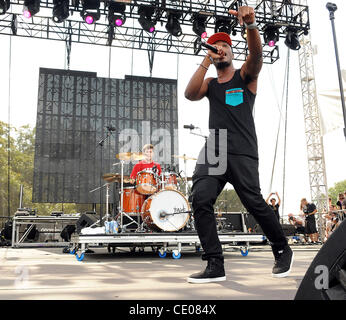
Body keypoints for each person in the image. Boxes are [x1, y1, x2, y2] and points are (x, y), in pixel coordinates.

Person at [184, 6, 293, 283]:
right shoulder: (210, 83)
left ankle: (281, 248)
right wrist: (205, 61)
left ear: (232, 52)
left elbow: (256, 56)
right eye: (216, 46)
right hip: (215, 147)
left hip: (243, 148)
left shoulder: (244, 76)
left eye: (225, 46)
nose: (220, 49)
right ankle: (214, 264)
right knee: (200, 199)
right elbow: (189, 94)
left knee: (254, 202)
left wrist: (252, 26)